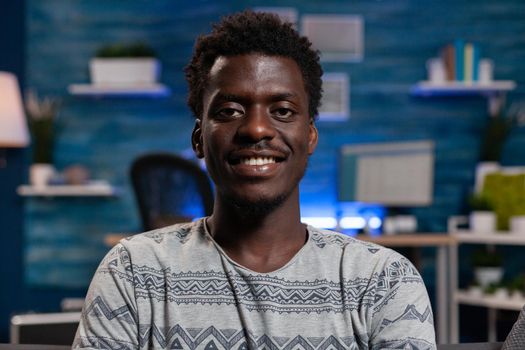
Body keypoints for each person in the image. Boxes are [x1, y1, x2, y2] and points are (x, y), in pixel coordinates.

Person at [73, 11, 436, 349]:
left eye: (282, 111)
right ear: (199, 138)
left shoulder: (383, 281)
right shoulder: (133, 273)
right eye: (230, 111)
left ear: (309, 137)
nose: (257, 128)